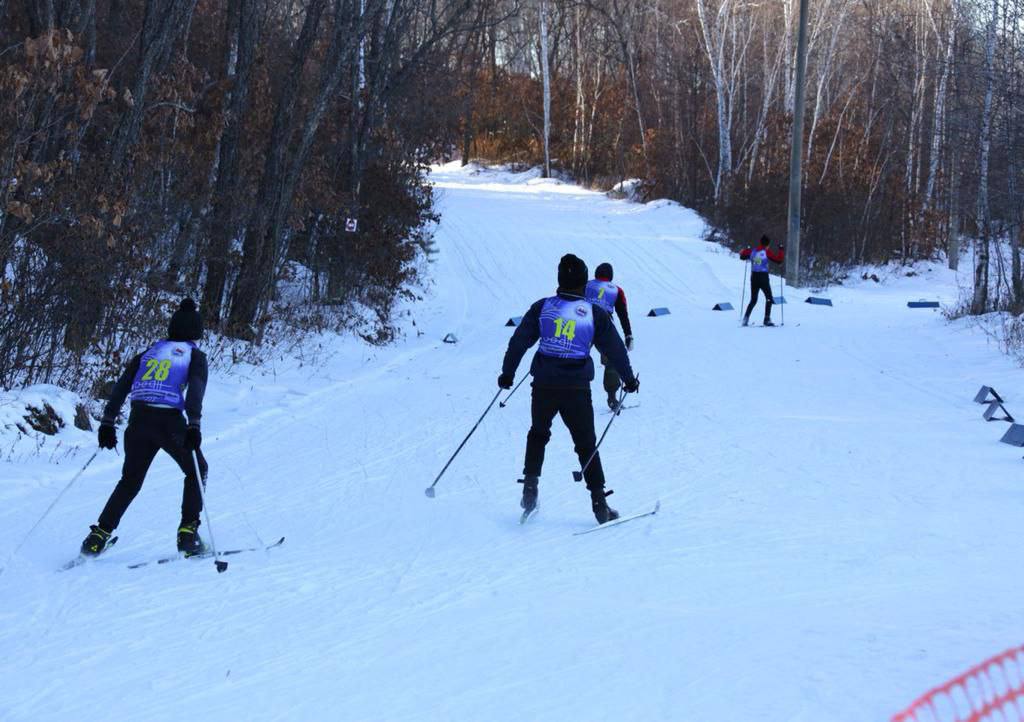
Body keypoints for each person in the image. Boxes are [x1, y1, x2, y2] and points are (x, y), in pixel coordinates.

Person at [499, 254, 639, 524]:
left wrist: (507, 373)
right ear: (583, 283)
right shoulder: (593, 314)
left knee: (538, 434)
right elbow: (615, 348)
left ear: (559, 279)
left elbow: (519, 341)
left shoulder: (543, 307)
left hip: (544, 384)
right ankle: (600, 504)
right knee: (586, 444)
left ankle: (530, 489)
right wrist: (629, 379)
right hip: (576, 388)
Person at [79, 298, 210, 558]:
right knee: (197, 470)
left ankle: (97, 537)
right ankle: (187, 534)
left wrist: (107, 422)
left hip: (138, 422)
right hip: (170, 422)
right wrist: (194, 424)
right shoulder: (194, 355)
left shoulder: (149, 352)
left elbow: (121, 386)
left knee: (130, 481)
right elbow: (195, 389)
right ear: (196, 332)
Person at [585, 262, 634, 410]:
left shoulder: (585, 284)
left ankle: (565, 392)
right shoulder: (616, 290)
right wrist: (628, 335)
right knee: (612, 359)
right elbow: (622, 314)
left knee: (574, 356)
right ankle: (612, 398)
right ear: (610, 276)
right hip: (603, 327)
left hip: (582, 323)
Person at [740, 235, 785, 326]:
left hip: (754, 278)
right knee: (769, 298)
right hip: (763, 278)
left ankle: (745, 319)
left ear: (760, 242)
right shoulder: (766, 252)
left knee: (753, 300)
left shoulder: (753, 251)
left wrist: (743, 251)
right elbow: (779, 260)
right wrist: (781, 249)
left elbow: (742, 256)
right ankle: (767, 319)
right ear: (767, 244)